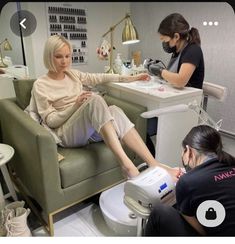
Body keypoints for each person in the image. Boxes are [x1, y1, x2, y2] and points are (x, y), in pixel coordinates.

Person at [25, 34, 180, 180]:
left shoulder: (72, 74)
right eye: (58, 56)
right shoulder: (41, 85)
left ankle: (155, 164)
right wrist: (75, 105)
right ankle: (127, 165)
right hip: (65, 132)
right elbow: (51, 121)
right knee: (95, 100)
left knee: (115, 110)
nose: (64, 61)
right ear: (48, 57)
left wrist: (131, 78)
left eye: (67, 56)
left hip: (85, 127)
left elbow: (100, 77)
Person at [144, 125, 235, 236]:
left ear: (189, 150)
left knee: (159, 212)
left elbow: (201, 232)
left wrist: (184, 186)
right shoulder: (230, 164)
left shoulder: (187, 182)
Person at [145, 12, 205, 156]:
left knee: (144, 125)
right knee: (141, 121)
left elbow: (180, 80)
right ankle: (150, 159)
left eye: (165, 39)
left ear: (176, 37)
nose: (164, 43)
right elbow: (172, 77)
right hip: (173, 99)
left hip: (186, 105)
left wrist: (160, 71)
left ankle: (156, 160)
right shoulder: (177, 51)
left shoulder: (193, 50)